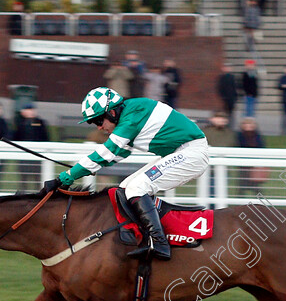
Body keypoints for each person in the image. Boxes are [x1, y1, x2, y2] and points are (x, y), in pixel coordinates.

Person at [48, 87, 209, 260]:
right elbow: (115, 155)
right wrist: (83, 170)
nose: (100, 127)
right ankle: (140, 237)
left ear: (111, 112)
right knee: (125, 188)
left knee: (137, 188)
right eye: (94, 124)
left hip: (191, 154)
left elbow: (107, 152)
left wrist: (66, 176)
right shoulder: (129, 112)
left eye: (98, 121)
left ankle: (160, 244)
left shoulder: (131, 118)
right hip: (180, 153)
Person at [13, 103, 49, 193]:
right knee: (23, 179)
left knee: (37, 178)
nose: (30, 112)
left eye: (32, 110)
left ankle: (39, 195)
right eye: (28, 110)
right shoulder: (19, 123)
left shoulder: (40, 122)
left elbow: (45, 138)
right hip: (23, 157)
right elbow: (15, 137)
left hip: (37, 155)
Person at [236, 117, 266, 196]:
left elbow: (261, 147)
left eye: (250, 124)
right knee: (242, 183)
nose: (248, 126)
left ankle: (259, 201)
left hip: (254, 163)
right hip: (243, 164)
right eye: (246, 124)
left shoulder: (257, 136)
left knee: (255, 184)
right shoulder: (239, 136)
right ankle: (240, 199)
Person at [216, 64, 238, 128]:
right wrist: (222, 96)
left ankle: (230, 125)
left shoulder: (232, 77)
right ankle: (225, 124)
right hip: (225, 97)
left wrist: (235, 96)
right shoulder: (222, 77)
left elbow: (234, 87)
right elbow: (220, 87)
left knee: (230, 112)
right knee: (225, 112)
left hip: (231, 97)